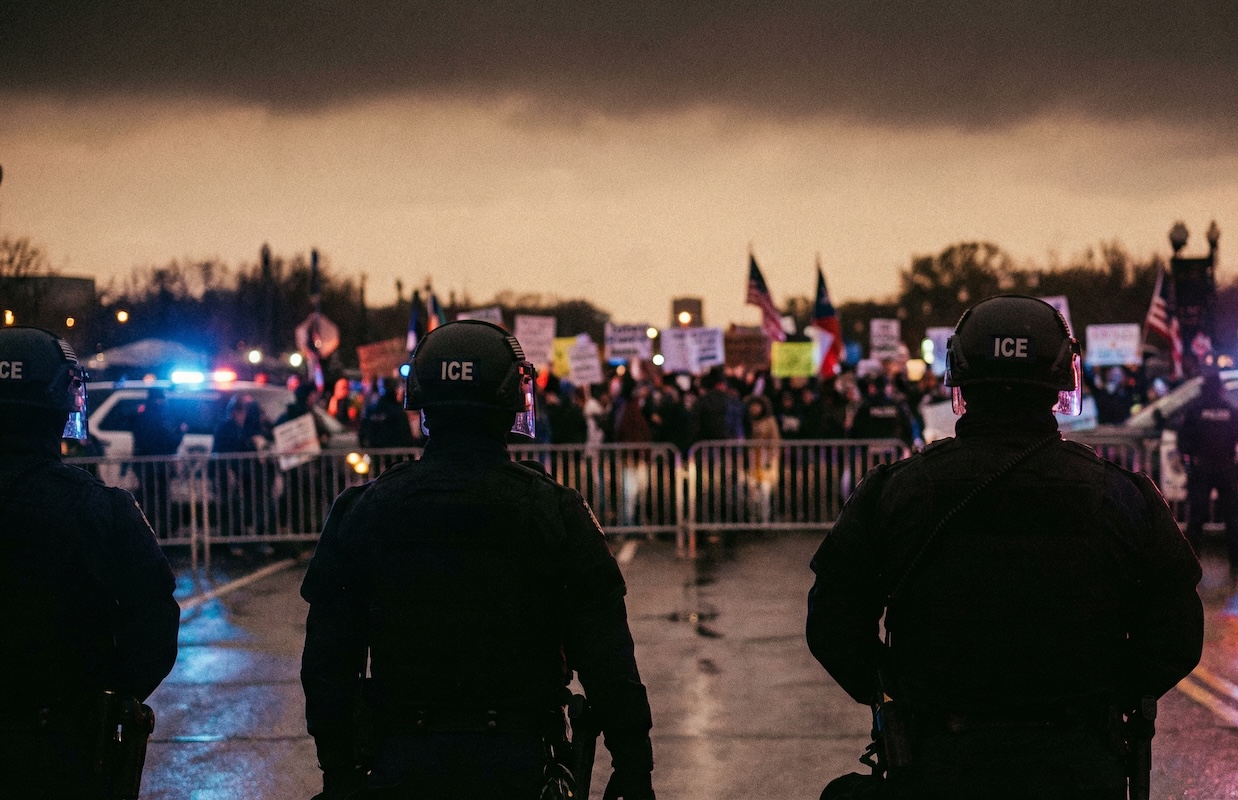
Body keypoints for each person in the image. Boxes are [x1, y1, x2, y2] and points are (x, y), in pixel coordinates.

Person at [807, 296, 1203, 800]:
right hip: (1077, 764)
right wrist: (1108, 696)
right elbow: (1177, 634)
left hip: (939, 761)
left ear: (960, 379)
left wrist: (896, 692)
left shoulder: (896, 491)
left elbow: (832, 621)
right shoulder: (1121, 495)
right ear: (1060, 380)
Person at [301, 320, 656, 800]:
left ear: (424, 406)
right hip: (519, 764)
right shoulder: (553, 509)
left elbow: (328, 661)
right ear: (511, 399)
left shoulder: (364, 509)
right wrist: (633, 766)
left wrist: (338, 770)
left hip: (401, 764)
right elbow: (607, 656)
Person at [0, 327, 179, 799]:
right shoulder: (100, 510)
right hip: (63, 748)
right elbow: (156, 626)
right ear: (61, 403)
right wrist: (107, 694)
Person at [1177, 366, 1238, 590]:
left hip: (1202, 467)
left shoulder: (1195, 409)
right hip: (1226, 467)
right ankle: (1235, 562)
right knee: (1232, 517)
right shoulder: (1230, 410)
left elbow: (1183, 439)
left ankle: (1191, 563)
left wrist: (1189, 461)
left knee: (1196, 518)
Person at [132, 387, 186, 534]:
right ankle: (164, 532)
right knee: (161, 500)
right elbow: (169, 441)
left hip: (145, 465)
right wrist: (180, 432)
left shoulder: (142, 416)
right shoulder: (161, 417)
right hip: (159, 467)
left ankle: (145, 531)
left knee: (146, 499)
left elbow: (138, 441)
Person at [359, 376, 416, 449]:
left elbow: (364, 427)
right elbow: (405, 433)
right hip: (395, 451)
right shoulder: (397, 409)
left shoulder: (374, 408)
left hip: (378, 450)